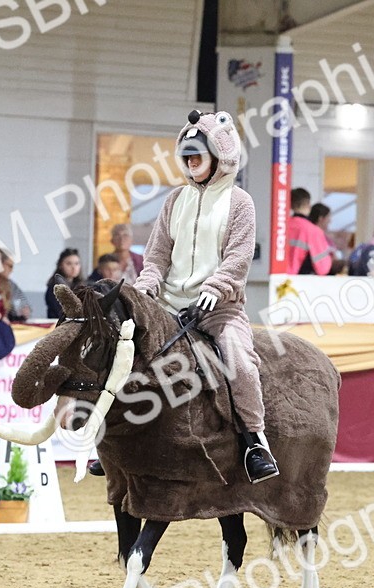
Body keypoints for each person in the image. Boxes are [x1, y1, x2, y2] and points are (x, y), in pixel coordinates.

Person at [134, 109, 277, 483]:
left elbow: (238, 258)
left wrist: (215, 288)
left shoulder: (240, 202)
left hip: (218, 309)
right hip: (167, 305)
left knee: (240, 363)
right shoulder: (174, 200)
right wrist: (148, 283)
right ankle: (117, 440)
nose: (191, 162)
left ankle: (254, 442)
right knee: (123, 352)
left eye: (198, 155)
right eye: (187, 156)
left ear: (219, 155)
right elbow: (157, 254)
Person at [286, 187, 333, 275]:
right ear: (308, 204)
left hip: (279, 278)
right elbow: (323, 268)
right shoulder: (313, 231)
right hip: (302, 279)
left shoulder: (282, 226)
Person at [45, 248, 84, 318]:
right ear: (60, 265)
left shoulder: (82, 285)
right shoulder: (55, 286)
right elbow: (60, 311)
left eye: (77, 263)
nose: (73, 267)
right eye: (69, 264)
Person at [0, 252, 30, 322]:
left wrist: (24, 308)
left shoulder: (10, 284)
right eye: (10, 266)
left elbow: (22, 301)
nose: (11, 270)